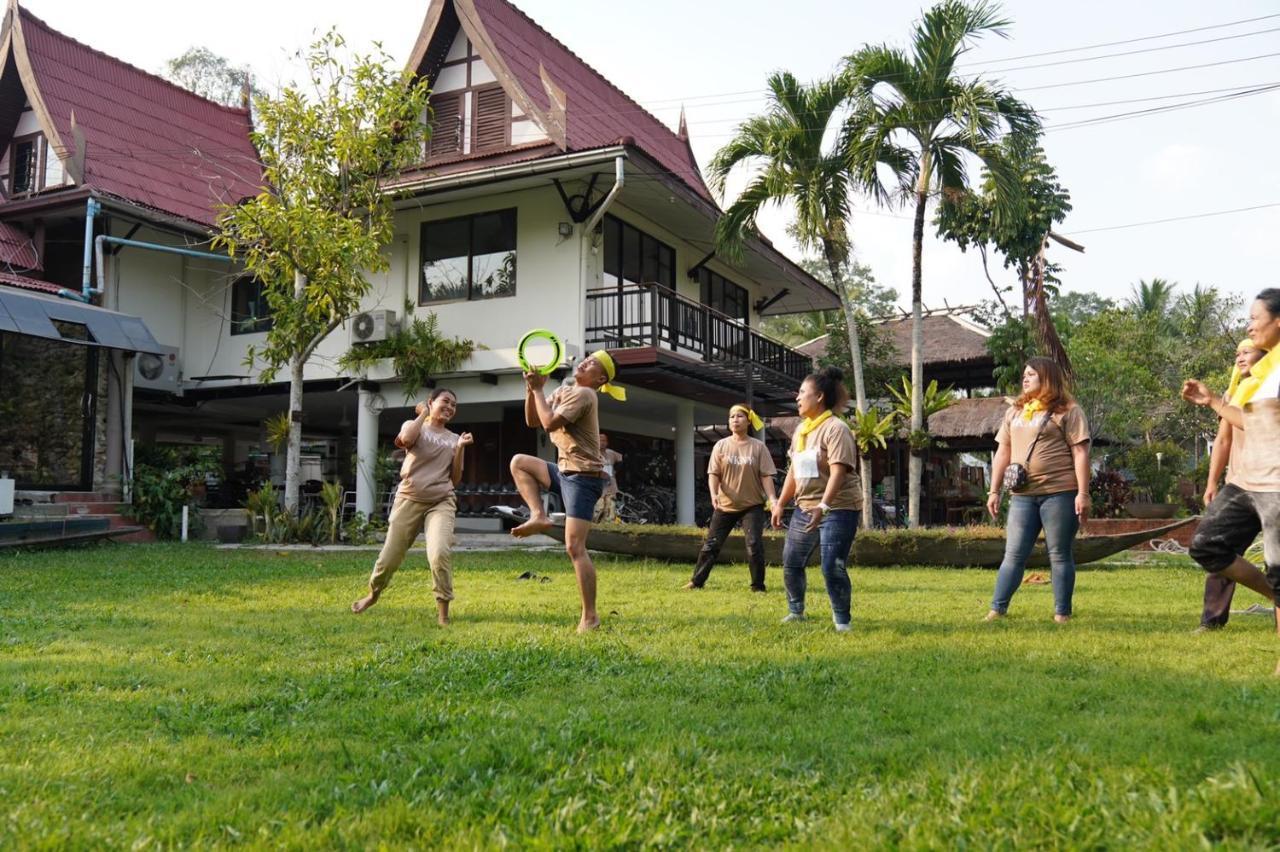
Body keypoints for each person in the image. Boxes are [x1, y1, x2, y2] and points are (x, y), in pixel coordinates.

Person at [1181, 288, 1280, 673]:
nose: (1249, 325)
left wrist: (1214, 403)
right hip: (1245, 482)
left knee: (1278, 565)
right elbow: (1240, 425)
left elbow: (1260, 425)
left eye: (1255, 318)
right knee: (1207, 546)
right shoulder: (1257, 374)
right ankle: (1274, 593)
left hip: (1275, 483)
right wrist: (1214, 400)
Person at [508, 351, 626, 632]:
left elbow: (549, 423)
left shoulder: (586, 395)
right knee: (520, 463)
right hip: (564, 472)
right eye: (586, 358)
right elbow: (533, 421)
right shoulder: (564, 390)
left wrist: (538, 389)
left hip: (584, 479)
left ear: (600, 378)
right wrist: (531, 389)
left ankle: (590, 617)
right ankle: (539, 515)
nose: (585, 362)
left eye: (593, 363)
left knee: (575, 547)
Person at [352, 388, 473, 625]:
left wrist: (460, 448)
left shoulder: (453, 439)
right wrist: (422, 415)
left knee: (439, 553)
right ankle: (373, 594)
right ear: (431, 403)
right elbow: (406, 439)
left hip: (441, 501)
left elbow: (455, 479)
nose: (449, 407)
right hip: (409, 498)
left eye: (454, 405)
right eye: (445, 402)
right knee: (389, 558)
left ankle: (443, 614)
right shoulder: (416, 425)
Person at [985, 357, 1091, 623]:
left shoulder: (1068, 410)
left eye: (1031, 374)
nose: (1025, 378)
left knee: (1059, 554)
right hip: (1022, 496)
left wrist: (1083, 493)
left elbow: (1080, 453)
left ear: (1047, 378)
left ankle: (1061, 614)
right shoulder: (1015, 412)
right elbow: (1003, 452)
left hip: (1059, 493)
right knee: (1014, 554)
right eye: (1024, 374)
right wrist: (994, 490)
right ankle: (997, 610)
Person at [770, 367, 862, 631]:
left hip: (838, 508)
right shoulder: (801, 431)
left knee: (832, 566)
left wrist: (824, 505)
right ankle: (796, 611)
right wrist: (780, 503)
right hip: (805, 507)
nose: (797, 398)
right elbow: (795, 472)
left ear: (819, 397)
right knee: (791, 561)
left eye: (802, 393)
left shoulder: (836, 428)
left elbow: (839, 471)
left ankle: (842, 621)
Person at [1195, 340, 1271, 632]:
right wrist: (1213, 481)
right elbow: (1224, 440)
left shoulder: (1271, 389)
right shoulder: (1232, 392)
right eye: (1237, 353)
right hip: (1239, 484)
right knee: (1218, 547)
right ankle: (1212, 620)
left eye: (1247, 351)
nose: (1240, 357)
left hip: (1272, 484)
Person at [686, 404, 778, 591]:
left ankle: (758, 586)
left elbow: (766, 476)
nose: (735, 420)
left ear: (748, 421)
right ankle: (696, 582)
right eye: (731, 417)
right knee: (711, 545)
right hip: (725, 504)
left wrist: (773, 500)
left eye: (740, 416)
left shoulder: (758, 447)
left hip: (752, 505)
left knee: (754, 545)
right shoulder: (721, 445)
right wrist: (713, 494)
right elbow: (714, 474)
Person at [593, 433, 623, 523]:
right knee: (598, 508)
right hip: (598, 486)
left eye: (604, 440)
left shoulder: (611, 453)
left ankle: (606, 528)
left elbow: (621, 460)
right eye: (600, 440)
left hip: (611, 486)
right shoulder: (593, 454)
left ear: (607, 442)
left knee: (610, 510)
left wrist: (616, 471)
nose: (602, 442)